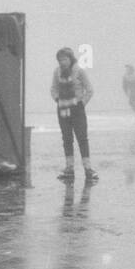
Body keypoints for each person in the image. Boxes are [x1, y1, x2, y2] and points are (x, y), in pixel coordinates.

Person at [51, 47, 97, 183]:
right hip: (62, 109)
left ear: (71, 58)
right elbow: (53, 88)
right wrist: (57, 99)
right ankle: (69, 169)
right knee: (66, 139)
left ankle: (88, 169)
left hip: (77, 110)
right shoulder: (57, 72)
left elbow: (89, 89)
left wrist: (82, 103)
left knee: (82, 138)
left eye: (65, 59)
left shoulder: (79, 71)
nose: (62, 62)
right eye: (60, 59)